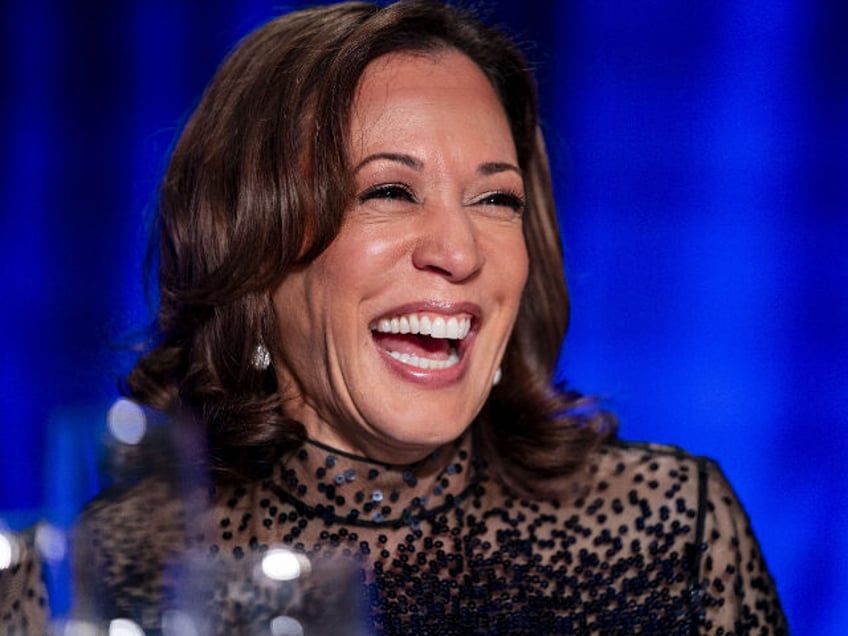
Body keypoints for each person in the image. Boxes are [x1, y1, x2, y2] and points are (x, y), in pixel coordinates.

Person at [1, 1, 788, 634]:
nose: (459, 250)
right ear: (252, 245)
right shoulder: (94, 573)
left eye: (496, 199)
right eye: (388, 191)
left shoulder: (672, 528)